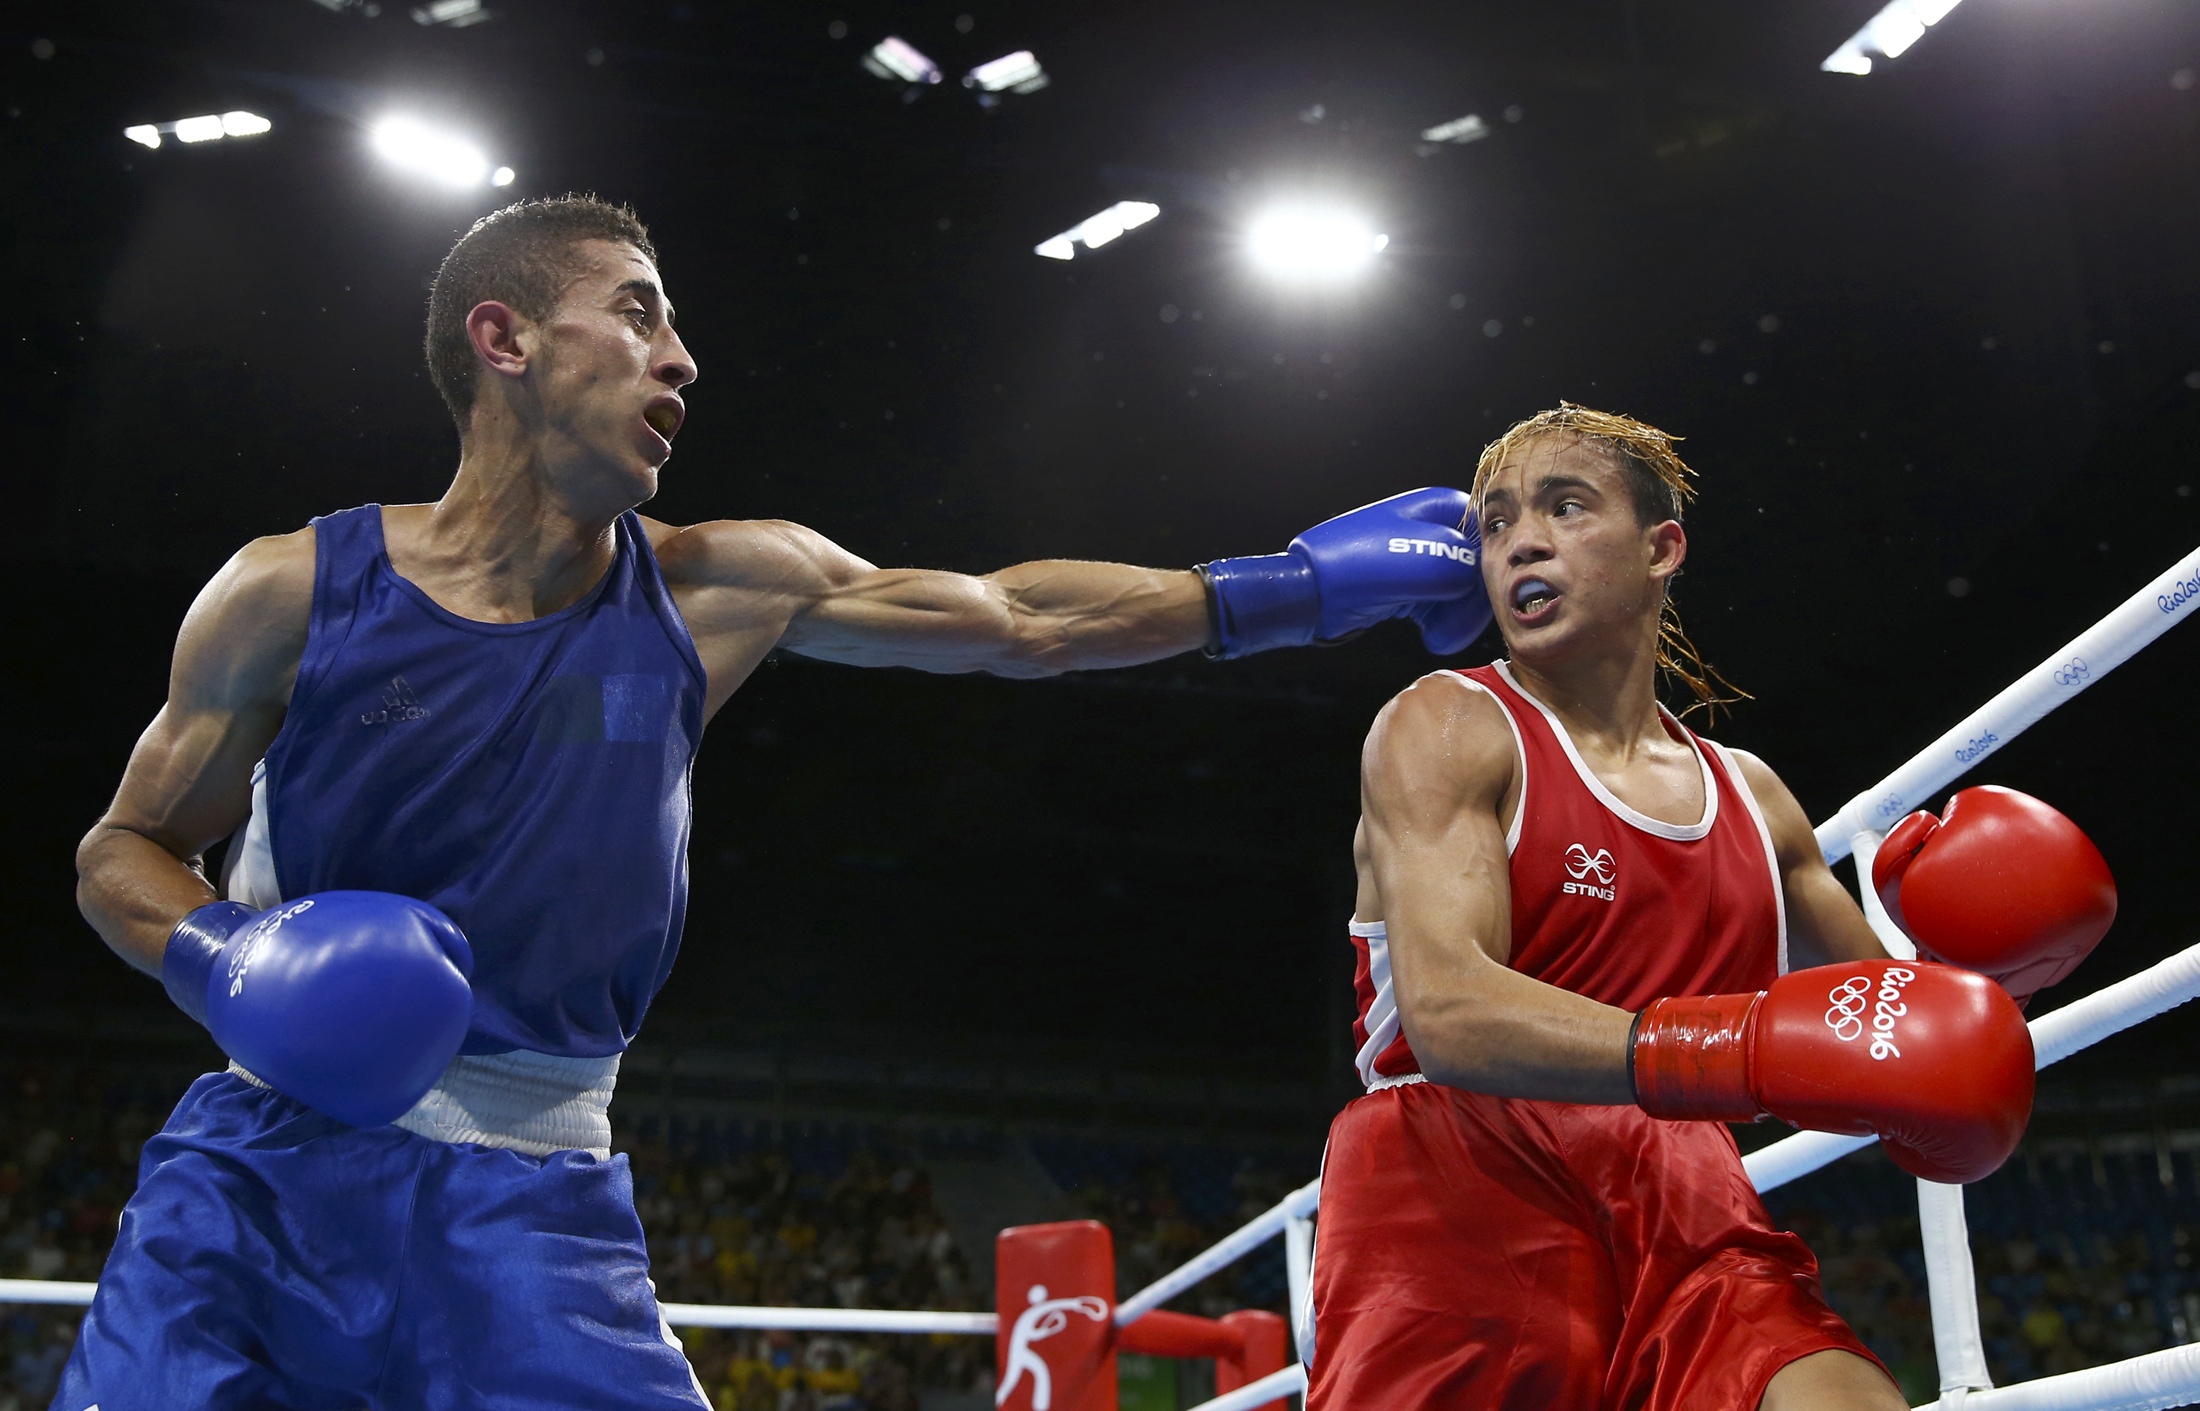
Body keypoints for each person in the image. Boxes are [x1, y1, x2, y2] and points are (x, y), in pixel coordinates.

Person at [58, 194, 1493, 1410]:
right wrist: (223, 954)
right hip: (257, 1172)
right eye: (634, 312)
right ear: (503, 337)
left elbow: (1021, 617)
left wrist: (1300, 588)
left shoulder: (718, 584)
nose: (679, 357)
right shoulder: (291, 591)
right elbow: (126, 846)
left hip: (528, 1198)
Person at [1310, 403, 2117, 1410]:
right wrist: (1734, 1049)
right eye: (1497, 519)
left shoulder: (1752, 796)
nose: (1521, 538)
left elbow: (1897, 1039)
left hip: (1682, 1182)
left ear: (1661, 548)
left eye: (1564, 506)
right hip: (1460, 1175)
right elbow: (1451, 1018)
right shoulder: (1447, 724)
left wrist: (2000, 979)